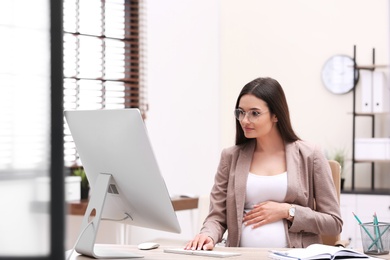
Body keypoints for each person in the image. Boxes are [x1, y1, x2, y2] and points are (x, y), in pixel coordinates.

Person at [185, 77, 343, 250]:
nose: (245, 120)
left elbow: (333, 222)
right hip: (241, 256)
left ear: (276, 115)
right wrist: (207, 235)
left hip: (295, 256)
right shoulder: (230, 157)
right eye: (241, 112)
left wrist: (288, 211)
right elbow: (216, 217)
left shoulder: (310, 155)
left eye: (255, 113)